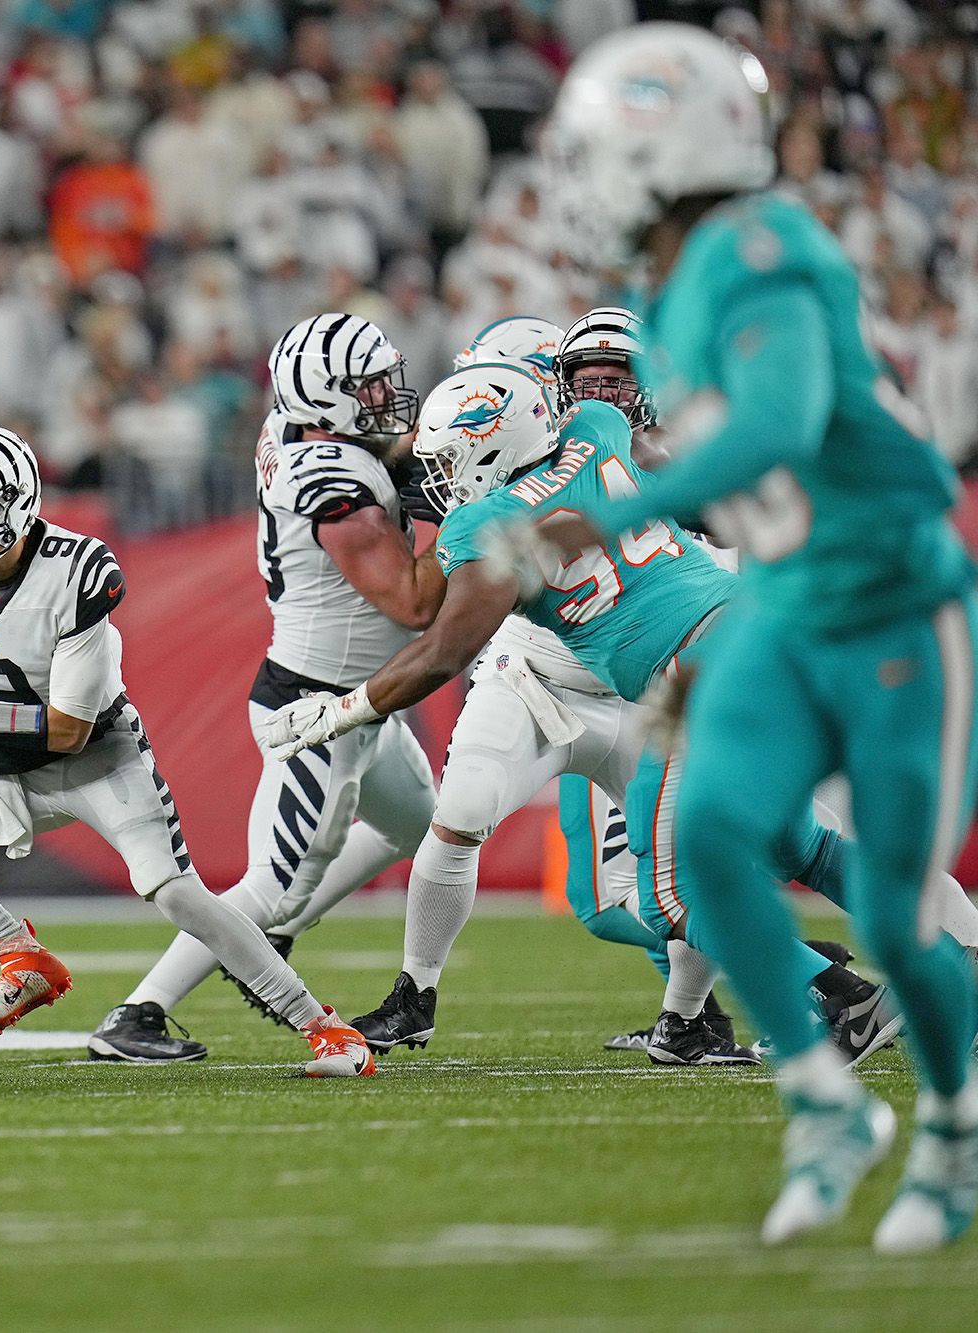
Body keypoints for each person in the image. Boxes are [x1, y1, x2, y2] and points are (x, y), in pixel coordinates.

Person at [530, 23, 978, 1250]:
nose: (580, 179)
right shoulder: (674, 281)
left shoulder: (761, 248)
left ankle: (952, 1121)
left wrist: (615, 511)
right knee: (710, 848)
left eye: (599, 149)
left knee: (889, 918)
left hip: (891, 604)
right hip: (781, 603)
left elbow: (777, 420)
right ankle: (825, 1104)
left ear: (659, 145)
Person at [266, 362, 919, 1070]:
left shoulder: (491, 524)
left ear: (494, 446)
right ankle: (942, 958)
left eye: (454, 458)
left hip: (695, 672)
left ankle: (845, 997)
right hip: (760, 632)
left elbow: (440, 652)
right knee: (799, 843)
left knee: (670, 895)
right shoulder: (597, 427)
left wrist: (344, 708)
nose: (445, 477)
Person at [0, 424, 376, 1078]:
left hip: (100, 761)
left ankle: (323, 1026)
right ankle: (19, 954)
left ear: (17, 504)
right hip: (10, 769)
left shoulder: (75, 572)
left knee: (176, 894)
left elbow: (70, 726)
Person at [87, 314, 437, 1063]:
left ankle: (272, 935)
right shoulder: (331, 480)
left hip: (362, 699)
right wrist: (459, 511)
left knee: (418, 825)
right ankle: (137, 1012)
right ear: (325, 396)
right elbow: (414, 602)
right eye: (366, 384)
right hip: (318, 708)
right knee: (268, 885)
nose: (383, 395)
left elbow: (382, 456)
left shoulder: (299, 430)